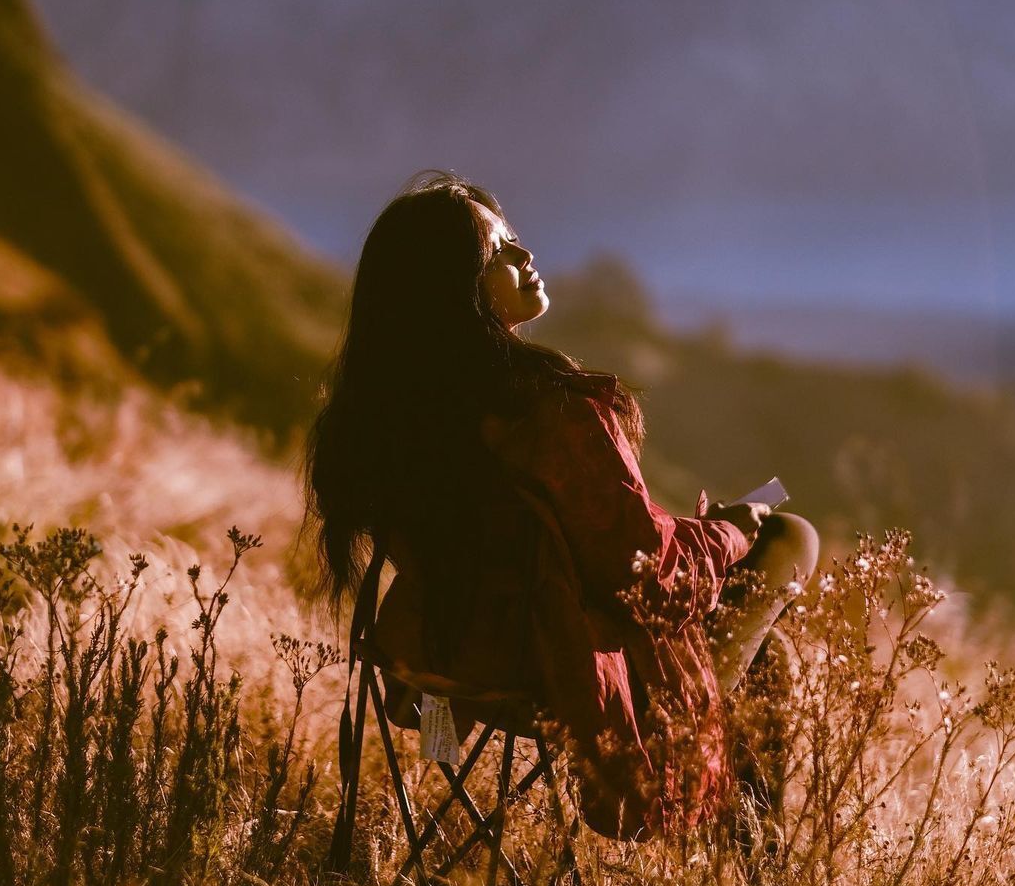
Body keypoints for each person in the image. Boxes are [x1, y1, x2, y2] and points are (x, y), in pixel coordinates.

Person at [304, 171, 818, 840]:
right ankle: (728, 830)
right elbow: (646, 570)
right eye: (498, 253)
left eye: (517, 241)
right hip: (559, 665)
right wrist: (725, 533)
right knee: (790, 535)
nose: (525, 257)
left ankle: (746, 856)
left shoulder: (386, 419)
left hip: (449, 652)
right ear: (453, 289)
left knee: (772, 655)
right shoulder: (551, 412)